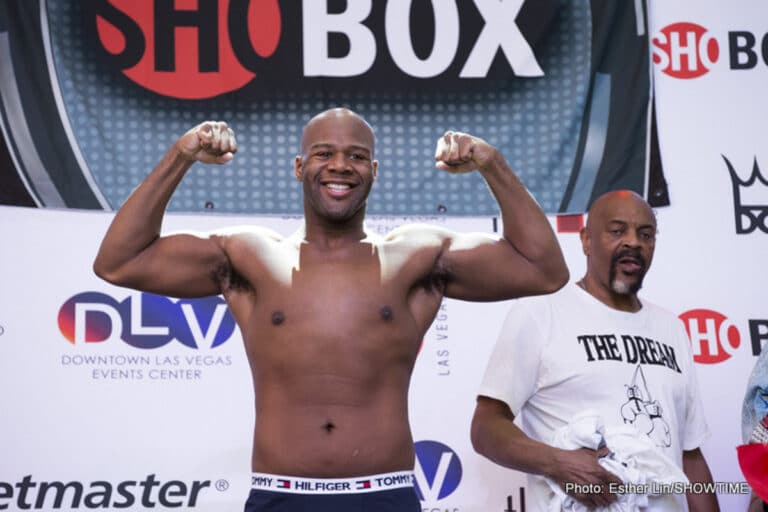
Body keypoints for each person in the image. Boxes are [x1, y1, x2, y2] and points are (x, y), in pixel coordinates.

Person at [92, 108, 569, 511]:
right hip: (281, 495)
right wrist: (181, 155)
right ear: (299, 167)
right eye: (324, 154)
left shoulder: (415, 257)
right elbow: (119, 262)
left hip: (384, 496)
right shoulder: (249, 256)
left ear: (375, 171)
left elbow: (543, 270)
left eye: (356, 156)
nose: (340, 166)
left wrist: (492, 162)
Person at [471, 190, 719, 511]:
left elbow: (690, 456)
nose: (633, 242)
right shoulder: (540, 314)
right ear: (586, 240)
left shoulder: (671, 328)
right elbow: (485, 428)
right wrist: (558, 462)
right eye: (617, 231)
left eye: (646, 234)